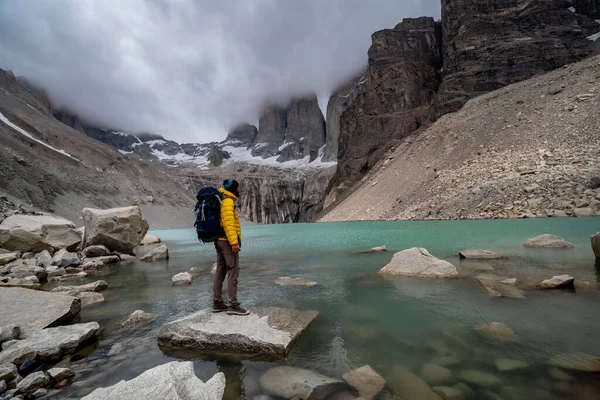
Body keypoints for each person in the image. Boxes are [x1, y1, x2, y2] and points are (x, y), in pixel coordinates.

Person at [212, 178, 249, 316]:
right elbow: (228, 223)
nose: (239, 190)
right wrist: (234, 243)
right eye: (237, 188)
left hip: (219, 240)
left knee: (220, 271)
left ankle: (217, 302)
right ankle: (233, 305)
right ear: (233, 189)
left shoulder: (223, 199)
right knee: (233, 272)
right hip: (227, 242)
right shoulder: (227, 201)